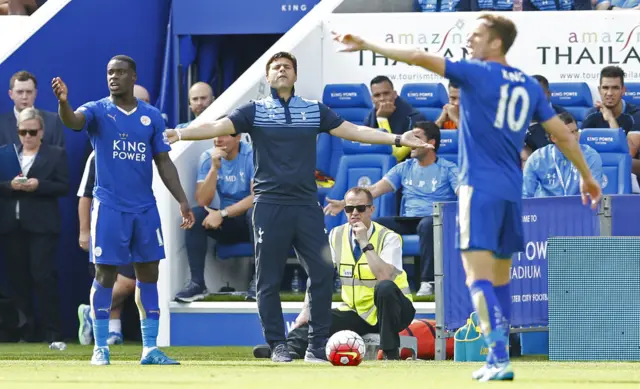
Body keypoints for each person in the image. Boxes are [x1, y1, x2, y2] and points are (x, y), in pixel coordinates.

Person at [332, 14, 601, 381]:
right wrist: (586, 177)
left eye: (475, 35)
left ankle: (497, 357)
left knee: (477, 278)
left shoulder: (476, 72)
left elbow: (417, 56)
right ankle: (500, 354)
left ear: (495, 42)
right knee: (502, 279)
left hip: (479, 187)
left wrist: (367, 45)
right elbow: (564, 136)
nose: (469, 41)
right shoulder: (528, 85)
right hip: (511, 189)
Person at [165, 51, 428, 363]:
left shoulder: (314, 111)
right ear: (268, 77)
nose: (281, 70)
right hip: (269, 205)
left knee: (321, 272)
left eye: (287, 66)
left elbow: (355, 131)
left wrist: (398, 137)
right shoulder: (254, 111)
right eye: (275, 67)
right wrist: (179, 133)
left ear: (294, 75)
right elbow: (216, 126)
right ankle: (278, 344)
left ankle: (317, 346)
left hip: (305, 205)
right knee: (268, 279)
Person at [52, 55, 195, 366]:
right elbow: (73, 122)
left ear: (133, 76)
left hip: (144, 208)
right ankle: (100, 347)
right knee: (105, 275)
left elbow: (164, 162)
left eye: (119, 72)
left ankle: (150, 349)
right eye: (109, 72)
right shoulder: (97, 110)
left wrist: (182, 199)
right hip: (110, 208)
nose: (113, 77)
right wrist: (64, 103)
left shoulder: (152, 117)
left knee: (149, 276)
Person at [253, 187, 415, 360]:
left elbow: (384, 275)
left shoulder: (389, 237)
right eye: (348, 209)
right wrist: (306, 310)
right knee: (319, 321)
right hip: (357, 312)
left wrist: (364, 243)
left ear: (371, 210)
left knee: (385, 288)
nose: (354, 213)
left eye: (360, 208)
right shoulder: (336, 235)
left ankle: (391, 354)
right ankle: (287, 348)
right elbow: (319, 276)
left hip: (396, 311)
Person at [325, 122, 458, 296]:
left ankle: (428, 282)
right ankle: (373, 279)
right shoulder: (404, 167)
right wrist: (343, 203)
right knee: (376, 225)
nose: (410, 142)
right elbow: (373, 190)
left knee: (426, 225)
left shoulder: (448, 168)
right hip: (408, 219)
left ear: (431, 143)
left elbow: (462, 192)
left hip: (436, 219)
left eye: (416, 137)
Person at [0, 107, 68, 349]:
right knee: (18, 280)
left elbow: (64, 186)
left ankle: (53, 331)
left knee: (42, 277)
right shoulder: (7, 154)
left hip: (42, 226)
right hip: (11, 226)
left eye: (31, 132)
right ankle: (26, 331)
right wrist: (11, 186)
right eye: (22, 132)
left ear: (41, 132)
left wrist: (38, 185)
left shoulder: (55, 154)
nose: (27, 137)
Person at [76, 151, 136, 346]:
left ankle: (111, 329)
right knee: (115, 279)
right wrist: (84, 231)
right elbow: (85, 196)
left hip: (135, 222)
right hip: (104, 224)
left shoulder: (141, 148)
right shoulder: (96, 154)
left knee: (128, 280)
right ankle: (96, 314)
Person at [523, 112, 603, 198]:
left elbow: (592, 196)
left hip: (579, 208)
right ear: (553, 138)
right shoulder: (538, 159)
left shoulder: (590, 157)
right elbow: (525, 195)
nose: (574, 137)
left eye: (575, 131)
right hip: (547, 209)